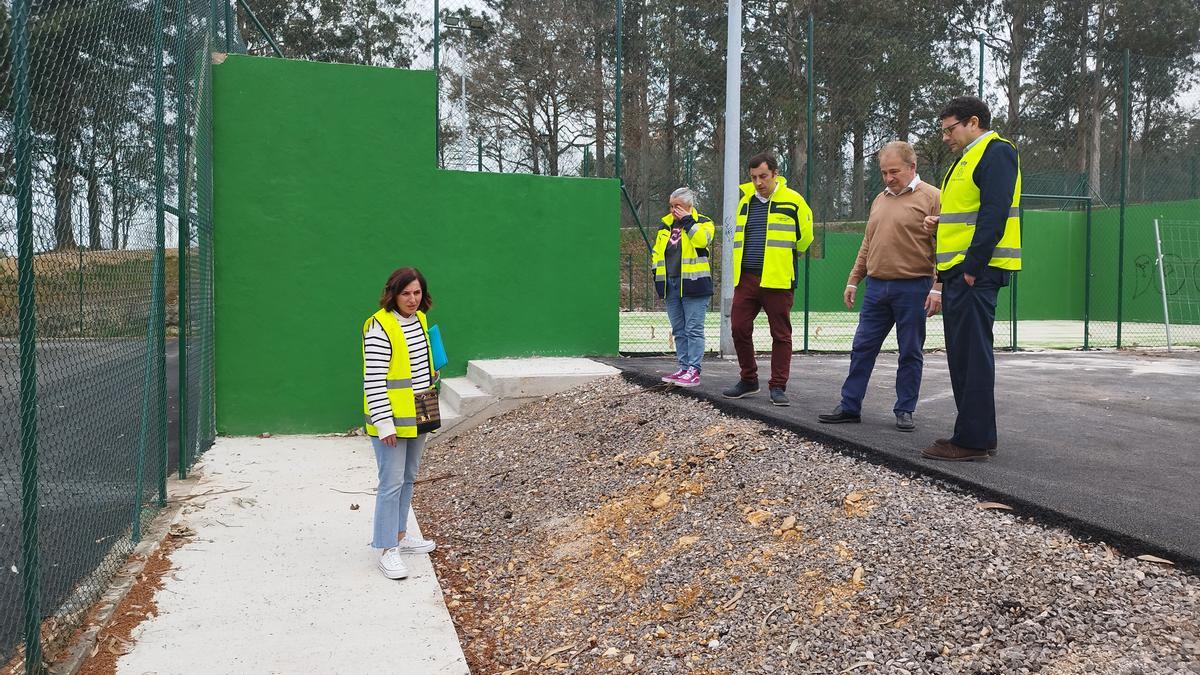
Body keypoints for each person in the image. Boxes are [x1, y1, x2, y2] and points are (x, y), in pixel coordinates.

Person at [921, 96, 1022, 462]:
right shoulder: (965, 161)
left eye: (950, 129)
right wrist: (940, 223)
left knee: (973, 356)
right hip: (959, 274)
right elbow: (970, 214)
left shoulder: (996, 152)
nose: (945, 137)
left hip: (973, 274)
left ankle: (972, 440)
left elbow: (994, 214)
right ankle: (975, 435)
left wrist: (971, 268)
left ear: (973, 122)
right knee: (963, 356)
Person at [818, 141, 942, 432]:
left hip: (914, 287)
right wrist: (853, 279)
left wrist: (939, 286)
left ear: (913, 167)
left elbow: (945, 245)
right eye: (884, 172)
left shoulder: (933, 198)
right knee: (862, 347)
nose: (888, 178)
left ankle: (905, 409)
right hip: (876, 287)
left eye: (894, 171)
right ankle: (850, 406)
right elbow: (868, 243)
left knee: (910, 351)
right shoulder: (879, 199)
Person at [362, 267, 439, 578]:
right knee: (390, 484)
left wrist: (430, 374)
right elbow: (374, 379)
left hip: (418, 414)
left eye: (417, 292)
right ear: (393, 293)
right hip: (391, 422)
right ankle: (386, 549)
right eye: (406, 293)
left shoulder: (419, 320)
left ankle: (400, 536)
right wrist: (383, 423)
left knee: (408, 478)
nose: (412, 299)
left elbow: (415, 364)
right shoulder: (379, 326)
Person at [723, 152, 814, 406]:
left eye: (763, 176)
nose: (758, 182)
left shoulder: (794, 201)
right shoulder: (745, 202)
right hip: (747, 278)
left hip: (777, 279)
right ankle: (749, 380)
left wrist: (780, 260)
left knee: (781, 334)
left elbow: (805, 239)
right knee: (739, 327)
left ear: (775, 173)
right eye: (753, 177)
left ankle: (778, 386)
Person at [652, 187, 715, 387]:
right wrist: (657, 275)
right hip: (671, 284)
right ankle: (683, 366)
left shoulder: (703, 223)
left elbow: (702, 241)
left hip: (694, 284)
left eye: (677, 206)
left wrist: (688, 221)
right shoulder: (665, 226)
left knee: (693, 329)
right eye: (671, 206)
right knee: (678, 329)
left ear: (689, 206)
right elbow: (657, 252)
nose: (673, 210)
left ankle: (694, 370)